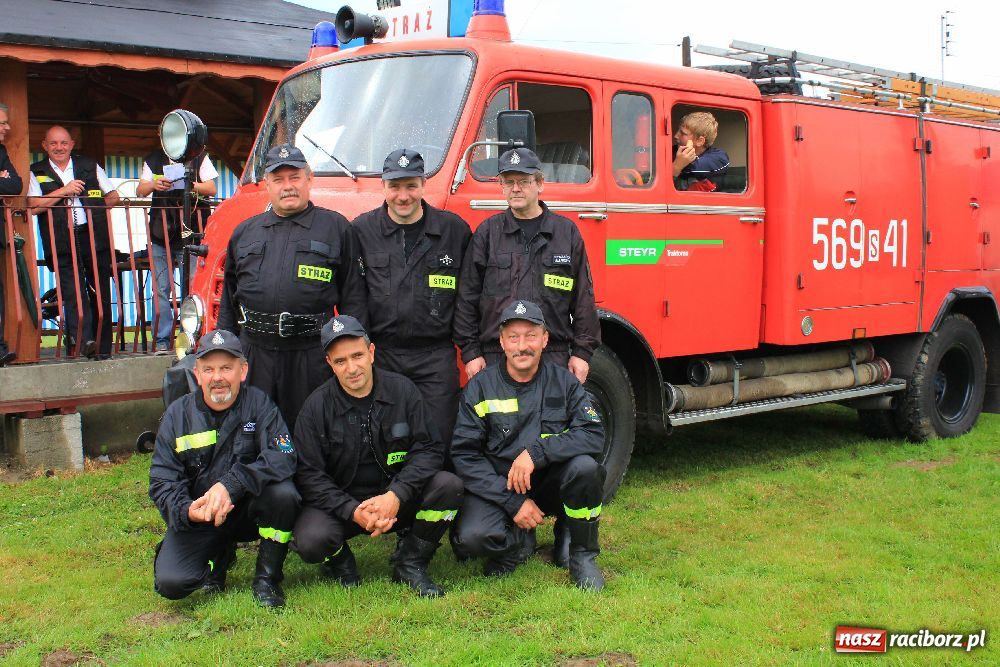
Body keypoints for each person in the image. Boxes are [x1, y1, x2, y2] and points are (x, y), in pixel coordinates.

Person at [293, 315, 463, 597]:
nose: (352, 368)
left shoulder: (404, 391)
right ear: (329, 364)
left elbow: (429, 449)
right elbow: (309, 475)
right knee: (311, 539)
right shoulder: (315, 408)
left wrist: (396, 495)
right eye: (341, 361)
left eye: (358, 355)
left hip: (396, 499)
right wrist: (352, 511)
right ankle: (341, 563)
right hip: (344, 505)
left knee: (449, 487)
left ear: (371, 353)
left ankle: (411, 562)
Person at [451, 300, 606, 590]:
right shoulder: (480, 388)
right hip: (501, 486)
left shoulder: (565, 383)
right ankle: (516, 542)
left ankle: (582, 555)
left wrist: (537, 452)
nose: (522, 346)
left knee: (585, 468)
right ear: (502, 342)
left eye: (531, 336)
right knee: (471, 539)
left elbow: (593, 434)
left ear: (545, 339)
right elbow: (464, 456)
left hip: (549, 483)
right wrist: (512, 502)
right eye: (514, 337)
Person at [216, 143, 367, 430]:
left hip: (311, 357)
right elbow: (229, 303)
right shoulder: (244, 233)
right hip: (255, 354)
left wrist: (351, 356)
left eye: (295, 177)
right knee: (252, 431)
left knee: (312, 433)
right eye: (279, 179)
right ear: (267, 184)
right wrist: (225, 354)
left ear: (309, 180)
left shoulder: (336, 228)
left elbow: (354, 301)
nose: (288, 186)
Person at [149, 329, 300, 607]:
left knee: (284, 495)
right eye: (209, 369)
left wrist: (232, 485)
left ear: (242, 371)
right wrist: (187, 511)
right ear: (197, 374)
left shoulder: (260, 405)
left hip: (248, 512)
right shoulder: (177, 416)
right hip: (203, 516)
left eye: (226, 368)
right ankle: (218, 557)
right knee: (172, 583)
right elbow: (162, 481)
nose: (217, 377)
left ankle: (267, 579)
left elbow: (284, 456)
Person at [353, 148, 471, 449]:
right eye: (395, 186)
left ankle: (436, 495)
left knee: (439, 436)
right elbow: (354, 296)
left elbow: (469, 296)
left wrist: (469, 347)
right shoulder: (362, 231)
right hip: (383, 355)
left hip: (435, 357)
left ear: (423, 184)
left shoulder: (453, 231)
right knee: (385, 437)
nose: (403, 195)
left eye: (411, 186)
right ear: (383, 186)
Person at [454, 147, 600, 386]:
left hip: (552, 356)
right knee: (500, 423)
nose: (516, 188)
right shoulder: (487, 234)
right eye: (508, 182)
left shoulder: (566, 233)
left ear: (540, 183)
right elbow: (467, 298)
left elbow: (583, 298)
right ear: (501, 185)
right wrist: (471, 353)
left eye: (523, 181)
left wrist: (582, 354)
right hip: (496, 357)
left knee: (550, 423)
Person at [27, 126, 120, 358]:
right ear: (44, 145)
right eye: (53, 143)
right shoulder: (36, 171)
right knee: (72, 291)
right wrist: (64, 191)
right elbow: (34, 205)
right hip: (60, 238)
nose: (59, 147)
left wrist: (94, 210)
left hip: (92, 235)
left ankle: (103, 346)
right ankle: (84, 342)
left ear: (71, 144)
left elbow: (113, 196)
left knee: (100, 289)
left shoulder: (89, 165)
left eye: (64, 143)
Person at [137, 147, 218, 353]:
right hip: (160, 234)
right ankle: (163, 339)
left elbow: (211, 188)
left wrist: (190, 186)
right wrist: (155, 184)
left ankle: (190, 338)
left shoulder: (199, 157)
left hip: (190, 232)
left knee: (192, 288)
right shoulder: (153, 158)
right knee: (161, 289)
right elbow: (140, 190)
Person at [0, 101, 22, 366]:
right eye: (3, 123)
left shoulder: (2, 151)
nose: (6, 128)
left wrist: (5, 179)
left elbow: (15, 184)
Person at [672, 111, 729, 191]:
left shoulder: (719, 158)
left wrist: (677, 166)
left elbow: (694, 167)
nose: (676, 136)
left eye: (683, 133)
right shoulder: (671, 151)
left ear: (699, 141)